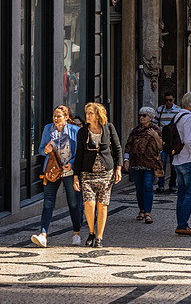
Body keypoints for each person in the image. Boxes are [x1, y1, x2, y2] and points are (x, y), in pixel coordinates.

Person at [31, 105, 83, 248]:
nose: (55, 118)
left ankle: (76, 233)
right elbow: (41, 149)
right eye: (54, 115)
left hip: (69, 170)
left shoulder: (75, 131)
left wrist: (72, 164)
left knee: (74, 203)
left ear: (66, 117)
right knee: (48, 203)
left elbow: (79, 153)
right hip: (53, 170)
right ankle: (43, 235)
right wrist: (46, 150)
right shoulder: (48, 129)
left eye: (59, 116)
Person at [73, 102, 122, 248]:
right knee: (89, 203)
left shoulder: (108, 128)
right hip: (87, 172)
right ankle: (91, 232)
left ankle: (99, 237)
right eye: (87, 113)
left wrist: (118, 168)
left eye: (90, 113)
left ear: (98, 115)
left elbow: (117, 148)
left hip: (106, 172)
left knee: (102, 205)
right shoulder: (82, 132)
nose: (87, 115)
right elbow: (79, 155)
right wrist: (76, 176)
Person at [123, 107, 162, 225]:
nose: (141, 117)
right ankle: (141, 210)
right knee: (139, 188)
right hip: (136, 163)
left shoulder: (156, 129)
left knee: (148, 186)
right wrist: (126, 159)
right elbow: (128, 145)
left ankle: (148, 213)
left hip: (150, 163)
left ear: (151, 117)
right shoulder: (135, 131)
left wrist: (155, 136)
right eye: (140, 115)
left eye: (144, 115)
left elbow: (161, 147)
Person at [173, 92, 191, 235]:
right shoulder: (189, 118)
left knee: (182, 194)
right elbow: (189, 140)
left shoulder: (178, 115)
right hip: (188, 160)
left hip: (178, 160)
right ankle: (183, 225)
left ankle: (181, 223)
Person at [155, 91, 180, 193]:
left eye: (170, 100)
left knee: (174, 165)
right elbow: (155, 123)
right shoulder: (160, 110)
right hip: (163, 141)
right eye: (166, 100)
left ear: (173, 100)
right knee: (162, 163)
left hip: (173, 142)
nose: (168, 102)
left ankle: (172, 184)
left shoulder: (178, 110)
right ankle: (161, 185)